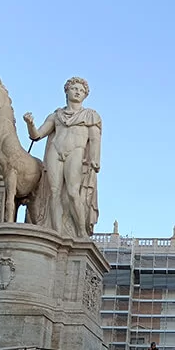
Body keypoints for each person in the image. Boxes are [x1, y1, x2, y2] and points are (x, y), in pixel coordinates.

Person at [23, 76, 102, 237]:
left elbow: (95, 139)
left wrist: (94, 159)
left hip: (76, 152)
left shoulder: (90, 115)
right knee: (54, 192)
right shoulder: (56, 115)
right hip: (55, 151)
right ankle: (56, 234)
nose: (78, 92)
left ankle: (81, 231)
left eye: (81, 90)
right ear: (67, 91)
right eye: (74, 89)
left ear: (85, 95)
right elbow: (36, 135)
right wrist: (30, 124)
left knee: (73, 192)